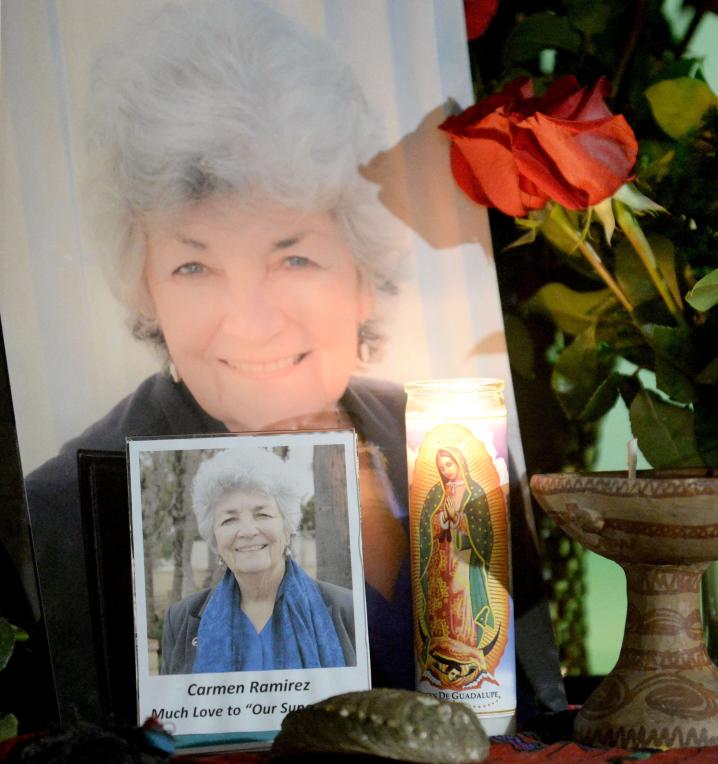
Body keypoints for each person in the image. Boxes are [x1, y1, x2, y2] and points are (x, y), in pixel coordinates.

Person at [23, 0, 564, 722]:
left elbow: (534, 707)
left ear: (362, 269)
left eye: (294, 256)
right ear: (145, 286)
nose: (249, 320)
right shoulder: (56, 515)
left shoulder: (455, 444)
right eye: (192, 266)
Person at [161, 448, 355, 674]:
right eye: (229, 520)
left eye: (262, 515)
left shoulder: (346, 610)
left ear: (287, 527)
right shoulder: (181, 619)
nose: (247, 531)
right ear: (214, 536)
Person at [418, 447, 497, 688]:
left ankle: (465, 647)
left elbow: (483, 529)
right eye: (441, 467)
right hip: (441, 557)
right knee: (442, 602)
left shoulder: (474, 492)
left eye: (449, 465)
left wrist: (460, 520)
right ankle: (442, 646)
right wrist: (441, 520)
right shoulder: (436, 493)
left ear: (460, 463)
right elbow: (426, 524)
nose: (445, 471)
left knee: (461, 601)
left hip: (463, 557)